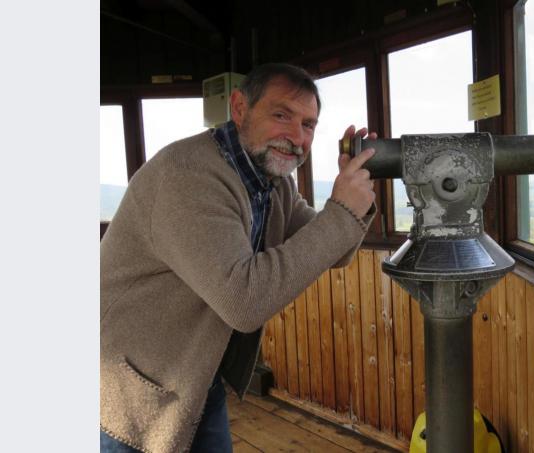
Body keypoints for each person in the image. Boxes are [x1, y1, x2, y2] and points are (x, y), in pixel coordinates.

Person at [100, 63, 377, 453]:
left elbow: (334, 248)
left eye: (309, 125)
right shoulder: (188, 176)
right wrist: (341, 213)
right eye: (281, 115)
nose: (297, 137)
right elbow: (243, 301)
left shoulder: (270, 182)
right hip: (130, 392)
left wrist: (352, 204)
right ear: (240, 108)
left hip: (195, 379)